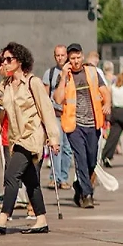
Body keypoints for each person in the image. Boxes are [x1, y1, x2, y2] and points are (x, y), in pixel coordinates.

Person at [0, 42, 59, 235]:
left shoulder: (33, 82)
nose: (4, 63)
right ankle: (41, 220)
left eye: (8, 59)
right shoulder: (5, 86)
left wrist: (53, 138)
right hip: (16, 139)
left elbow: (46, 110)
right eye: (2, 60)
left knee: (11, 175)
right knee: (31, 181)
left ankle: (3, 218)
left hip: (31, 138)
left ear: (20, 61)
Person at [52, 43, 110, 209]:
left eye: (78, 57)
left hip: (93, 123)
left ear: (82, 57)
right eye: (72, 58)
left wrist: (108, 104)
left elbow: (104, 91)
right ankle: (87, 195)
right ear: (68, 60)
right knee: (81, 159)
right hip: (74, 125)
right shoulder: (65, 76)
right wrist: (64, 76)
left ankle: (79, 187)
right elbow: (58, 99)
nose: (76, 61)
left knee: (92, 161)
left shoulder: (92, 72)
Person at [41, 45, 73, 191]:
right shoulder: (50, 73)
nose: (60, 58)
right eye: (57, 55)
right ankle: (55, 178)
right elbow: (45, 95)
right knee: (56, 146)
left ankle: (64, 178)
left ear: (67, 55)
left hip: (69, 115)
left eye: (62, 55)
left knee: (68, 149)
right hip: (55, 115)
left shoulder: (72, 72)